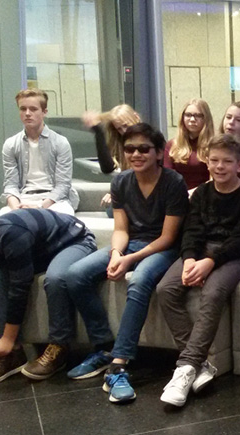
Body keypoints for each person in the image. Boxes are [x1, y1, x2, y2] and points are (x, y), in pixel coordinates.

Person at [61, 123, 189, 403]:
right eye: (130, 149)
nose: (136, 154)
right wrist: (117, 254)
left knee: (140, 280)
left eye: (144, 149)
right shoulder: (121, 181)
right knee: (75, 275)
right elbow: (121, 229)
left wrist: (130, 258)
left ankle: (118, 364)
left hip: (164, 248)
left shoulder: (173, 182)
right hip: (130, 244)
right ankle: (104, 347)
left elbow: (168, 237)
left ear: (159, 153)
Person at [156, 134, 240, 407]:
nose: (219, 166)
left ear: (239, 165)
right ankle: (199, 364)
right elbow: (191, 230)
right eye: (214, 160)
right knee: (166, 288)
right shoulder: (202, 193)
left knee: (213, 292)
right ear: (206, 162)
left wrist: (210, 262)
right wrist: (189, 259)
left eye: (226, 161)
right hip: (202, 251)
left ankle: (185, 367)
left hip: (237, 254)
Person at [0, 209, 95, 384]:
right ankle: (12, 354)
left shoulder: (14, 235)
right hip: (43, 248)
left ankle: (59, 346)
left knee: (55, 278)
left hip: (74, 240)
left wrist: (8, 338)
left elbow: (19, 288)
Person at [0, 88, 79, 218]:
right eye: (23, 109)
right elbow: (11, 185)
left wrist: (40, 207)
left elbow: (63, 185)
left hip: (54, 201)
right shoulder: (10, 144)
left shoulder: (60, 142)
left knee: (53, 221)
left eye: (33, 109)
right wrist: (16, 209)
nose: (27, 113)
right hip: (23, 199)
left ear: (44, 112)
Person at [82, 104, 141, 217]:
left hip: (149, 192)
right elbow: (107, 168)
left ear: (136, 117)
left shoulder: (149, 140)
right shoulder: (122, 143)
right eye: (119, 128)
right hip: (130, 193)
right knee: (112, 209)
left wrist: (117, 192)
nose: (124, 131)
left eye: (126, 125)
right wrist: (98, 132)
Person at [164, 98, 214, 192]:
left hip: (204, 195)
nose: (192, 119)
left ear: (206, 118)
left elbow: (214, 179)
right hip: (177, 195)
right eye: (188, 115)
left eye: (198, 115)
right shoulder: (172, 145)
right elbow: (167, 177)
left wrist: (192, 193)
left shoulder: (214, 145)